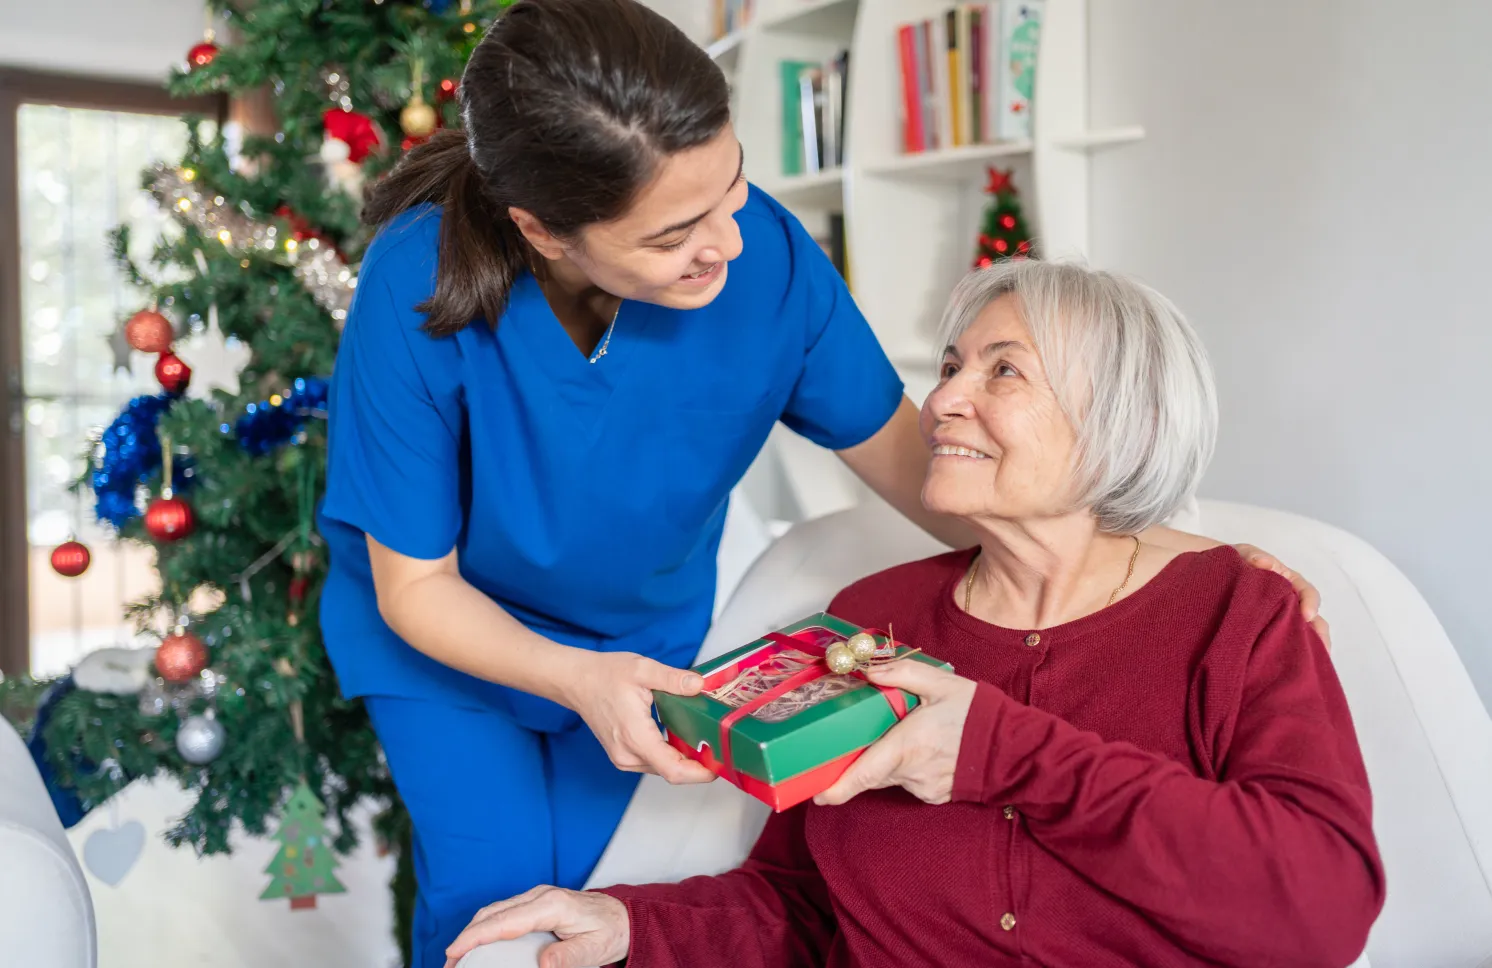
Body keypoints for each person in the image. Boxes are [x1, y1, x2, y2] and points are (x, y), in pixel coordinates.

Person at [317, 2, 1329, 965]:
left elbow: (929, 471)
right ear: (543, 229)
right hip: (449, 637)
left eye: (731, 187)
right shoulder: (418, 283)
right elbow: (417, 586)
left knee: (594, 889)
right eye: (673, 234)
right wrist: (578, 679)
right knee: (489, 894)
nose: (729, 241)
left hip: (639, 640)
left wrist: (1174, 558)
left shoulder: (766, 267)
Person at [443, 260, 1382, 968]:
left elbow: (1320, 915)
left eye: (1003, 373)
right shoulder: (874, 620)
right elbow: (804, 905)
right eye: (951, 366)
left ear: (1119, 423)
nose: (942, 402)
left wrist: (997, 749)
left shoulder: (1239, 616)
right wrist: (634, 925)